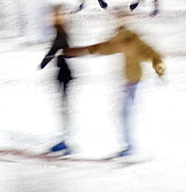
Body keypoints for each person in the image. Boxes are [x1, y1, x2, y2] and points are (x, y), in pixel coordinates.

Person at [65, 11, 165, 158]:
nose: (117, 22)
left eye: (120, 19)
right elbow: (107, 47)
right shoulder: (123, 36)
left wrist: (158, 67)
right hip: (131, 81)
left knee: (126, 114)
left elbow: (150, 53)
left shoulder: (130, 38)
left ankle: (131, 148)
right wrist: (87, 50)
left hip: (137, 81)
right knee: (124, 113)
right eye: (117, 19)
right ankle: (129, 147)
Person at [40, 7, 74, 155]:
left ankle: (65, 142)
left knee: (64, 107)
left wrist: (43, 62)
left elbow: (54, 49)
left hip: (64, 74)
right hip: (63, 73)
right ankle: (64, 140)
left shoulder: (61, 33)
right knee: (63, 107)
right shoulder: (61, 31)